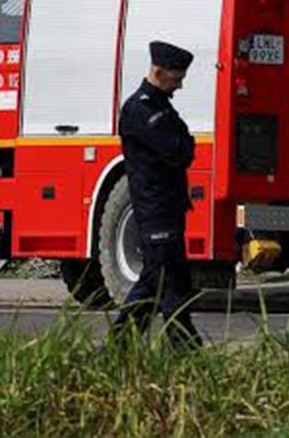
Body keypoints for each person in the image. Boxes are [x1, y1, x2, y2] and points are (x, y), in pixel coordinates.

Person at [111, 40, 203, 347]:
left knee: (164, 279)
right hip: (155, 208)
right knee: (166, 281)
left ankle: (125, 343)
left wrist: (183, 144)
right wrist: (182, 144)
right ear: (159, 72)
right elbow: (178, 149)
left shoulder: (161, 106)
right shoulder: (140, 109)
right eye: (176, 79)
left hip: (168, 207)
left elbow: (184, 146)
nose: (179, 86)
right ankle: (181, 348)